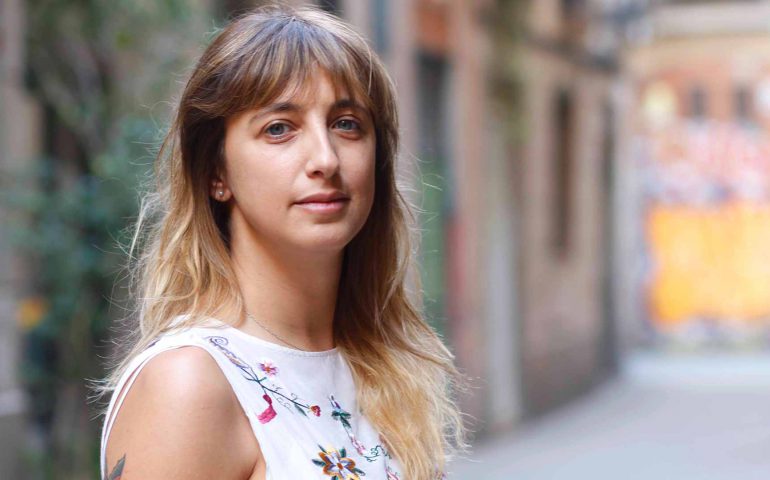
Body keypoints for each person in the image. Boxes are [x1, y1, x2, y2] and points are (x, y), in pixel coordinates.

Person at [96, 5, 466, 480]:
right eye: (279, 129)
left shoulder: (380, 368)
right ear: (216, 172)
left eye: (347, 123)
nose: (325, 159)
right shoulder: (190, 383)